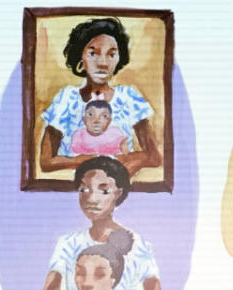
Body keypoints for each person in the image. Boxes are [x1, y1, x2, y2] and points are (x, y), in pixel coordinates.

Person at [37, 155, 161, 290]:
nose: (91, 199)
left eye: (103, 190)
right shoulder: (67, 243)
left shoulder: (138, 245)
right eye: (85, 190)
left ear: (118, 193)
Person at [39, 16, 162, 178]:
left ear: (119, 59)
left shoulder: (129, 98)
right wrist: (86, 162)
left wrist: (125, 166)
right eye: (93, 53)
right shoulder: (66, 99)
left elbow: (154, 156)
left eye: (111, 54)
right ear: (80, 58)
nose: (103, 62)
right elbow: (46, 162)